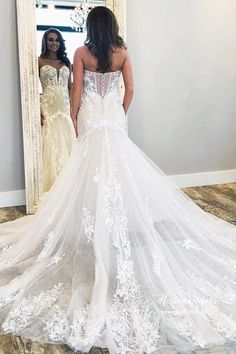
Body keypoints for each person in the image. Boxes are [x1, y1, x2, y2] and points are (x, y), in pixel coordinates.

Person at [0, 6, 236, 354]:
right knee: (120, 170)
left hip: (94, 120)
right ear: (112, 26)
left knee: (89, 172)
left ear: (92, 27)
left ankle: (94, 225)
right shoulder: (123, 53)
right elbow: (131, 89)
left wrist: (79, 118)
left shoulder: (81, 52)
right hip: (112, 118)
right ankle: (118, 220)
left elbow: (76, 90)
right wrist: (119, 111)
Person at [38, 28, 76, 193]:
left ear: (61, 43)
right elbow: (31, 88)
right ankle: (51, 186)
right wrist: (36, 108)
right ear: (45, 42)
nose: (54, 43)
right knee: (50, 142)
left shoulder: (66, 63)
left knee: (67, 142)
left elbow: (70, 87)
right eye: (51, 40)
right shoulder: (38, 61)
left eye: (57, 40)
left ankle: (69, 185)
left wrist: (74, 107)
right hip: (48, 106)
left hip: (64, 107)